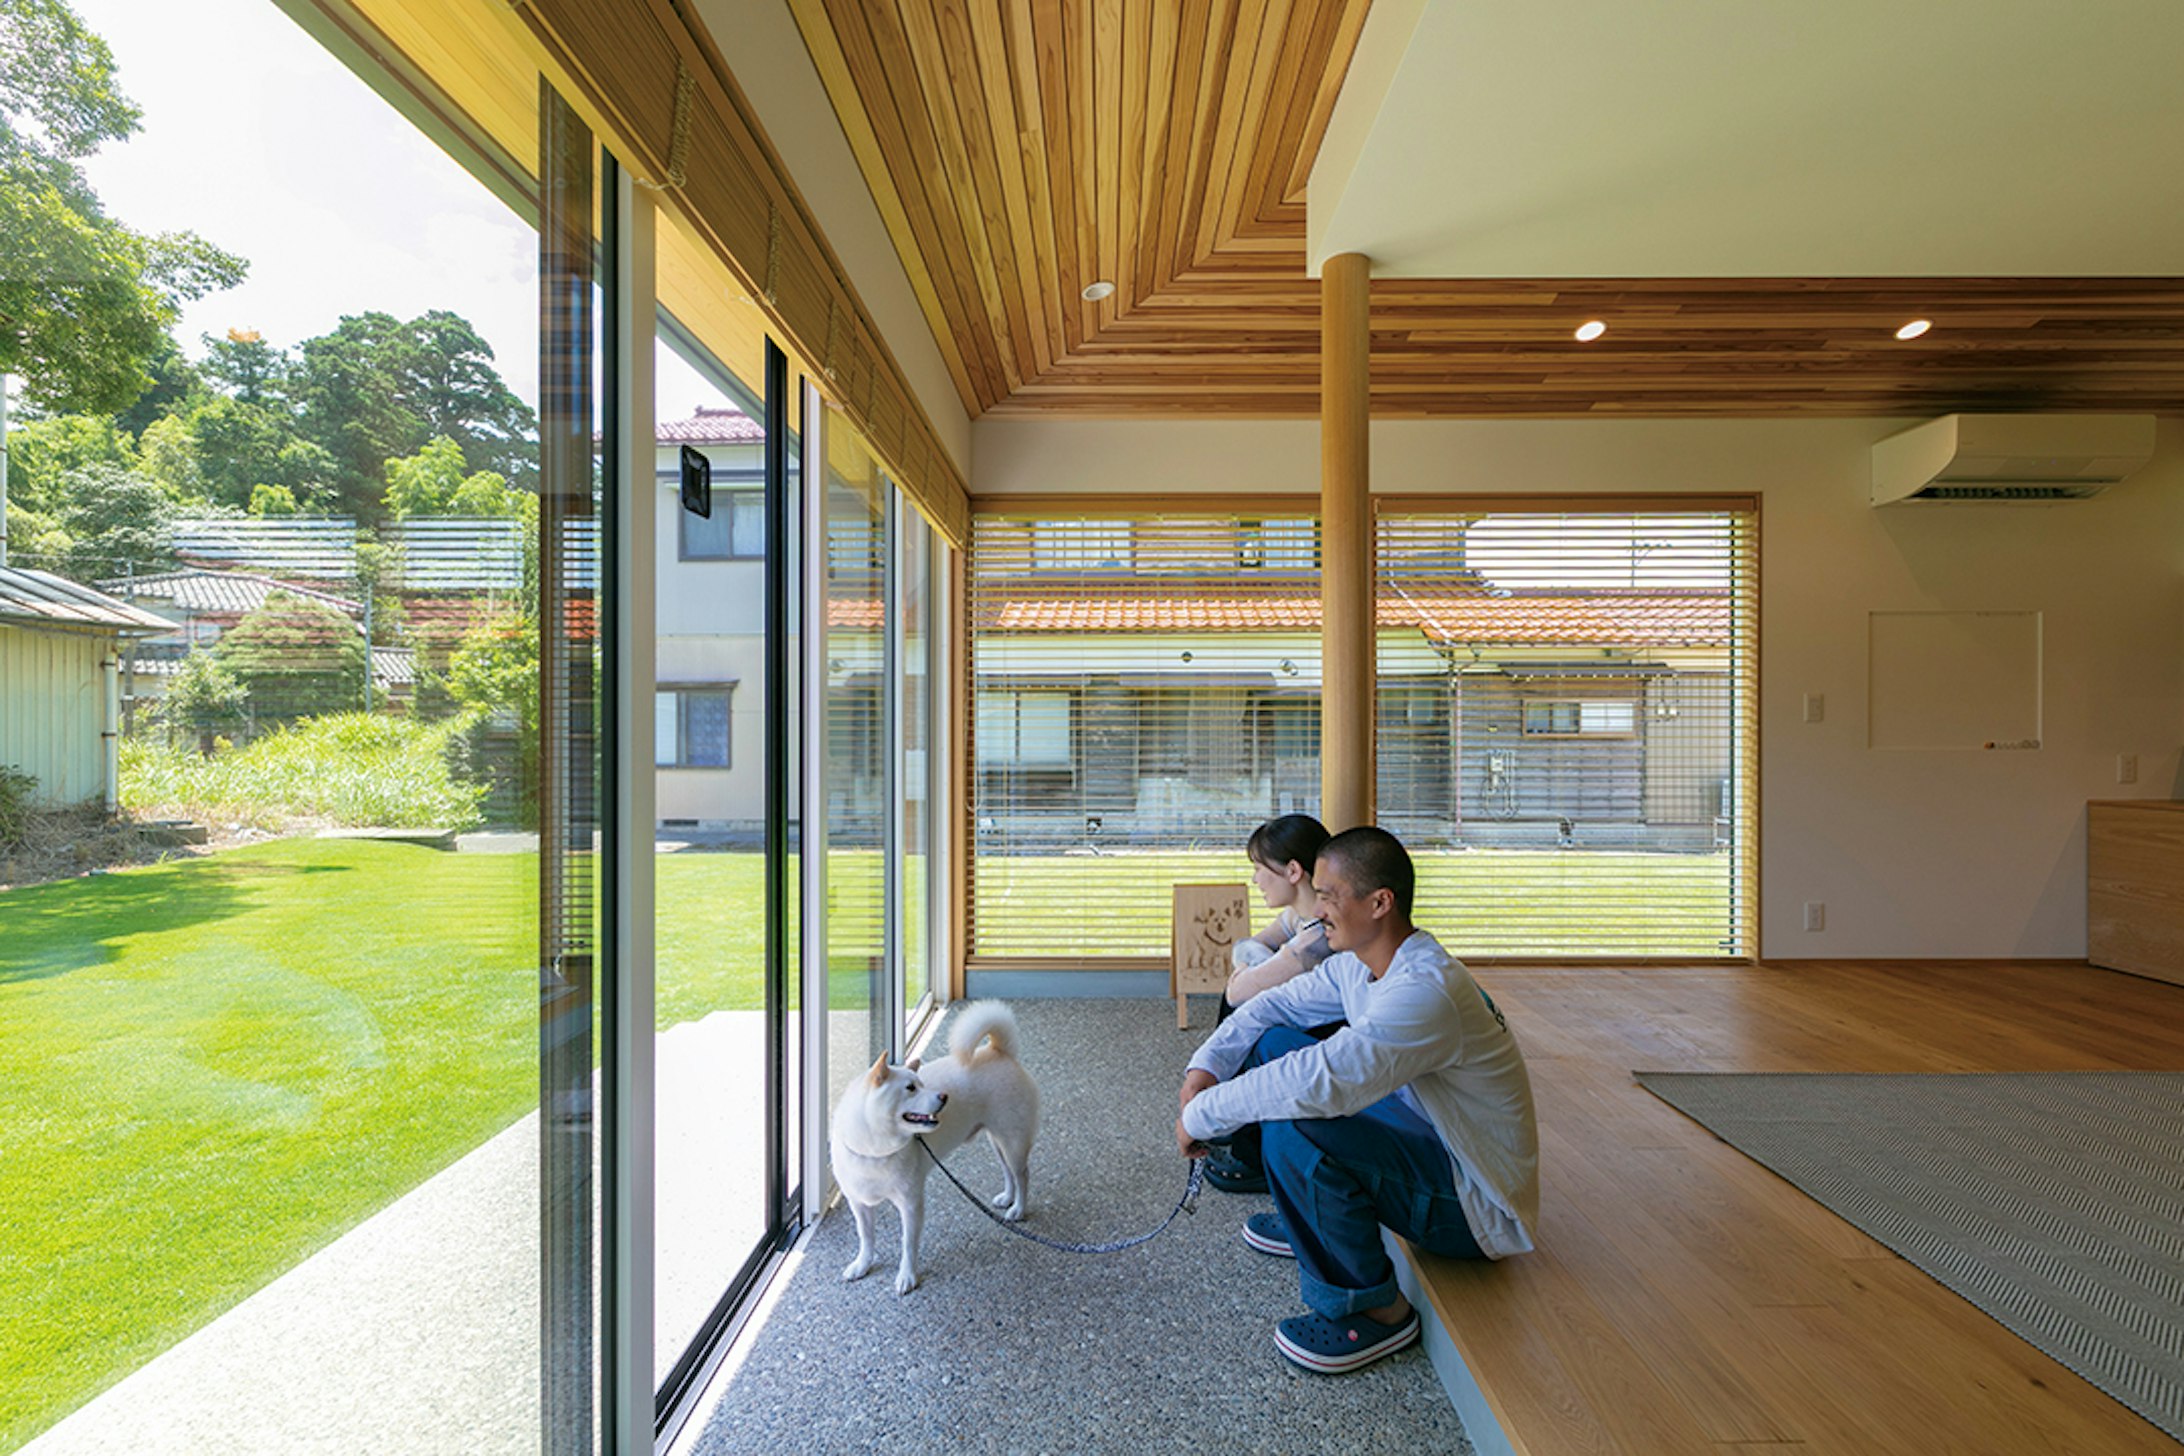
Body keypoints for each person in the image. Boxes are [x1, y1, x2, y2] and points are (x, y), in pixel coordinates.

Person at [1174, 826, 1539, 1375]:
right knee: (1274, 1045)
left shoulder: (1424, 990)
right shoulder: (1361, 961)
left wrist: (1200, 1115)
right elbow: (1270, 1009)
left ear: (1379, 902)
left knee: (1295, 1118)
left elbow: (1323, 1080)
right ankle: (1316, 1218)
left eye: (1328, 896)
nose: (1316, 911)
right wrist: (1204, 1068)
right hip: (1423, 1135)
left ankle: (1375, 1311)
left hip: (1474, 1204)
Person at [1201, 814, 1334, 1194]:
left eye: (1260, 868)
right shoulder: (1299, 915)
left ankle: (1253, 1152)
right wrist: (1250, 966)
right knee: (1246, 1000)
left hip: (1325, 1039)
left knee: (1246, 1009)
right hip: (1305, 1018)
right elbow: (1246, 947)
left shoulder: (1317, 938)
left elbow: (1238, 988)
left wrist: (1247, 969)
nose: (1255, 879)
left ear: (1293, 870)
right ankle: (1232, 1113)